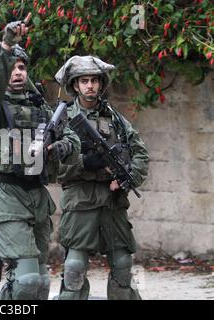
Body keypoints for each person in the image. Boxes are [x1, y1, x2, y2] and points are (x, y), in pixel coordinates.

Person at [0, 16, 81, 300]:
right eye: (12, 68)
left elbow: (73, 139)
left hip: (36, 195)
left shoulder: (40, 106)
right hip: (4, 193)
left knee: (40, 282)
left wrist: (59, 147)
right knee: (28, 277)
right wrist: (7, 46)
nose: (17, 72)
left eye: (22, 67)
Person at [54, 55, 149, 300]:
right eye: (84, 81)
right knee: (74, 267)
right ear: (75, 85)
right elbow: (52, 166)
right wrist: (84, 162)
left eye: (94, 81)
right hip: (80, 199)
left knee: (122, 264)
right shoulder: (62, 118)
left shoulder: (113, 117)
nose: (90, 86)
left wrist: (128, 179)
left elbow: (139, 151)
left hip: (112, 200)